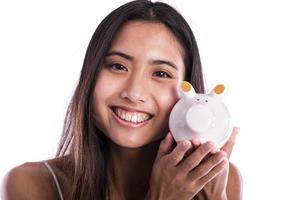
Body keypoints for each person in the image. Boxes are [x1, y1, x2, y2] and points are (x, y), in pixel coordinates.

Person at [1, 0, 242, 199]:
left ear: (190, 93)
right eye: (117, 66)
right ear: (90, 75)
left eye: (160, 73)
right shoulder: (31, 184)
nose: (134, 92)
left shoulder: (219, 181)